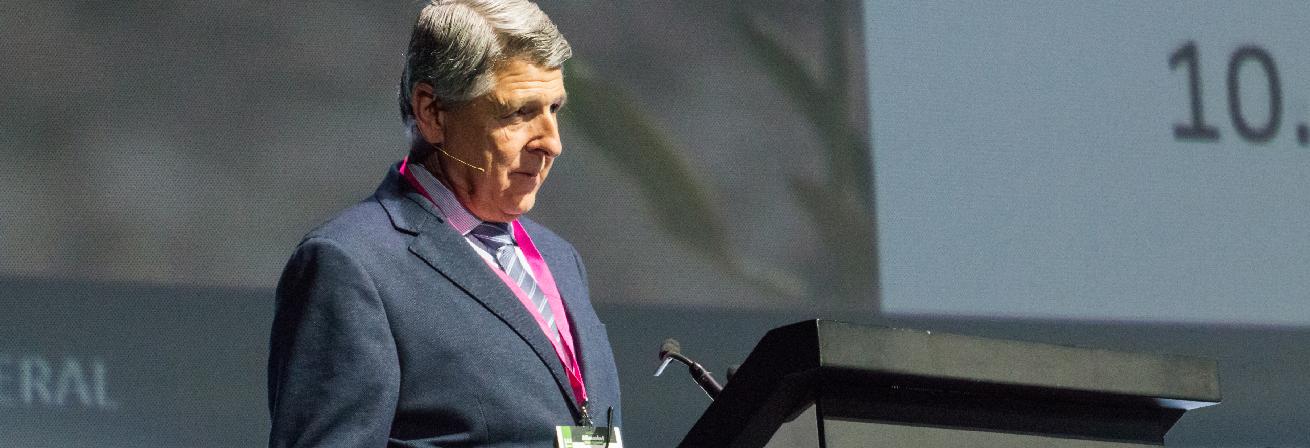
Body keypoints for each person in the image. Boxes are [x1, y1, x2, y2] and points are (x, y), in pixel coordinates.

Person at [266, 1, 621, 446]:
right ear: (432, 113)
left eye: (555, 109)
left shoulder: (560, 258)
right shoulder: (350, 266)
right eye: (519, 112)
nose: (552, 142)